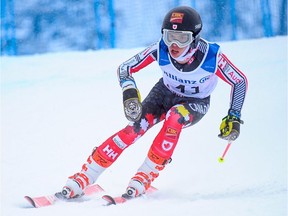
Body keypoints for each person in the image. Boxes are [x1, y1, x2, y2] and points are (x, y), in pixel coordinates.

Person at [59, 6, 248, 199]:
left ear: (194, 39)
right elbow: (125, 68)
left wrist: (234, 116)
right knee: (133, 129)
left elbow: (239, 81)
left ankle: (145, 174)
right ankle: (85, 175)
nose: (174, 44)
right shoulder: (160, 49)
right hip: (164, 93)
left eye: (182, 38)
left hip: (196, 102)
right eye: (169, 36)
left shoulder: (211, 56)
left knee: (175, 117)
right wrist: (129, 92)